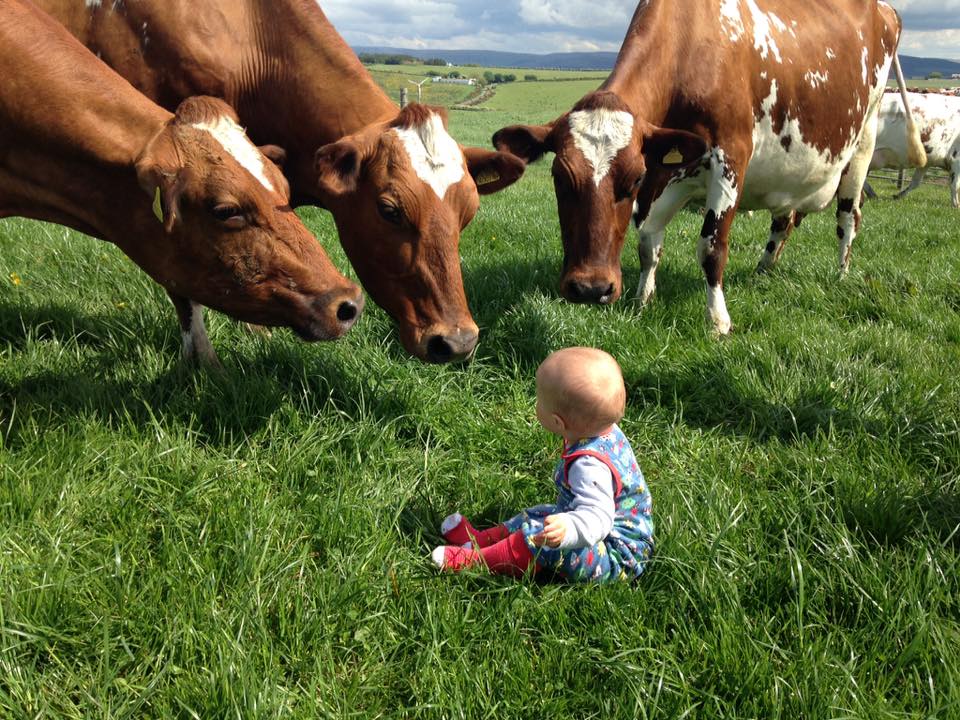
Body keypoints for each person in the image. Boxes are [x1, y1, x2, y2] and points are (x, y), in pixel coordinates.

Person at [431, 347, 654, 583]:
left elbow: (599, 516)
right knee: (538, 514)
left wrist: (569, 529)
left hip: (617, 556)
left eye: (539, 402)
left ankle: (477, 560)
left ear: (558, 422)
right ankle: (478, 539)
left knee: (541, 537)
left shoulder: (589, 465)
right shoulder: (602, 428)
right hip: (608, 534)